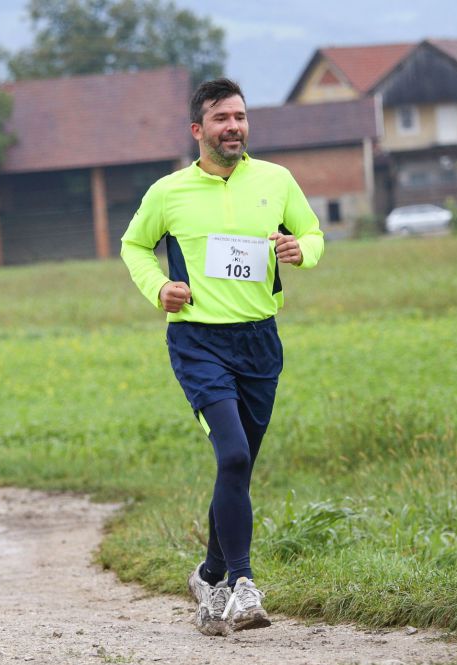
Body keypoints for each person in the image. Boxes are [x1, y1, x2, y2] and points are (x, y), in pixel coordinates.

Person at [120, 78, 324, 635]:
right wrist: (158, 287)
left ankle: (208, 574)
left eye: (239, 116)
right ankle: (241, 584)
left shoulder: (276, 180)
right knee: (232, 456)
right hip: (198, 341)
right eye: (221, 118)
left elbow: (312, 232)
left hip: (260, 339)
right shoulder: (169, 192)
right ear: (198, 130)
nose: (233, 126)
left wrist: (300, 249)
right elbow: (133, 244)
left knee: (239, 466)